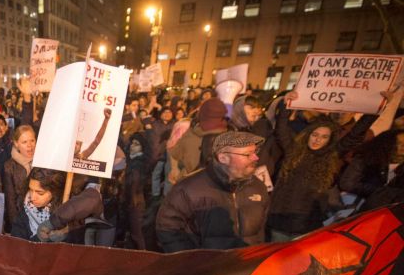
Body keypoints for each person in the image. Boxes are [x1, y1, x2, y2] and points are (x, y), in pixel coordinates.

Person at [267, 92, 376, 242]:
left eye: (324, 137)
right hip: (279, 221)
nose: (318, 140)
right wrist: (286, 105)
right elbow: (281, 129)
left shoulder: (332, 154)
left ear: (330, 140)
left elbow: (355, 134)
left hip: (307, 225)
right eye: (315, 135)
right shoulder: (293, 149)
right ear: (308, 134)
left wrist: (375, 110)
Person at [156, 131, 269, 252]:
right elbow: (168, 230)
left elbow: (261, 230)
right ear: (223, 158)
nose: (256, 157)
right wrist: (191, 262)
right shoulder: (188, 189)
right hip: (207, 268)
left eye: (255, 152)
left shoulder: (258, 186)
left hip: (248, 265)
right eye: (248, 154)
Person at [11, 168, 104, 243]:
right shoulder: (24, 212)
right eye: (30, 190)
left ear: (55, 192)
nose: (32, 197)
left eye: (40, 193)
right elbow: (18, 249)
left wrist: (65, 231)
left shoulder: (69, 208)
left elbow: (93, 198)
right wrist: (41, 238)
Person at [168, 98, 229, 183]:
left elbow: (174, 154)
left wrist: (175, 170)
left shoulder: (190, 133)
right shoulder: (231, 136)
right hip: (218, 187)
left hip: (190, 183)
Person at [123, 133, 154, 250]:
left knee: (137, 234)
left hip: (136, 202)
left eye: (136, 144)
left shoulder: (139, 163)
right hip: (131, 200)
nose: (132, 146)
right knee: (132, 234)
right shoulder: (130, 161)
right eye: (132, 143)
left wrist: (132, 200)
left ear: (142, 147)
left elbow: (135, 184)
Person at [3, 125, 36, 226]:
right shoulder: (9, 166)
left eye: (32, 140)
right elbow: (10, 199)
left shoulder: (42, 161)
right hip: (22, 217)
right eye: (24, 142)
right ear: (16, 144)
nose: (29, 145)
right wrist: (15, 224)